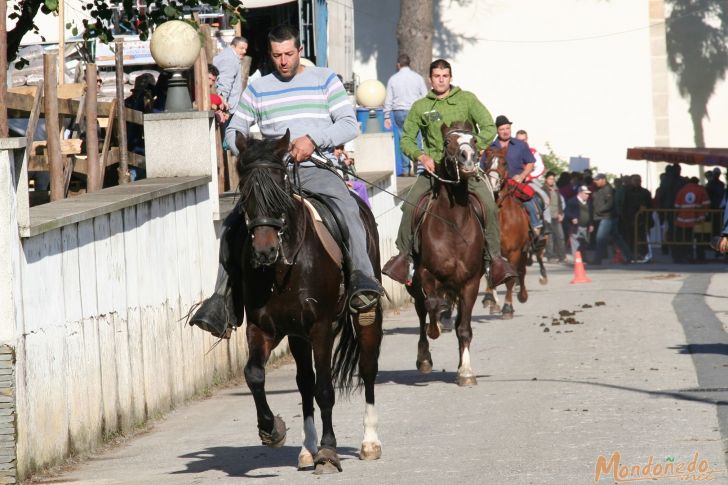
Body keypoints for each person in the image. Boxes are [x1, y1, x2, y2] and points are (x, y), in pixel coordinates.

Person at [191, 25, 383, 337]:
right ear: (270, 54)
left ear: (300, 50)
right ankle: (222, 303)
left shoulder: (324, 80)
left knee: (348, 209)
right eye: (277, 55)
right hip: (272, 175)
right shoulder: (257, 88)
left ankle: (362, 279)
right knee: (233, 225)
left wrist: (313, 140)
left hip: (317, 168)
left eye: (289, 54)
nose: (283, 61)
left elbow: (349, 125)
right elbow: (234, 128)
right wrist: (244, 146)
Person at [381, 59, 516, 287]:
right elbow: (406, 139)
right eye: (437, 76)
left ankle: (494, 260)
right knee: (410, 206)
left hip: (467, 171)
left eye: (445, 76)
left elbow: (489, 126)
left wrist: (478, 146)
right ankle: (405, 258)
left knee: (490, 206)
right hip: (435, 172)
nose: (441, 80)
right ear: (430, 79)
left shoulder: (467, 99)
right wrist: (421, 156)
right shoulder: (421, 106)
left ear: (451, 77)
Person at [489, 115, 546, 246]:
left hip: (516, 182)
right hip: (495, 184)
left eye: (507, 128)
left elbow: (531, 163)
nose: (505, 131)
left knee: (531, 199)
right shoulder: (491, 147)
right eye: (502, 129)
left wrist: (522, 176)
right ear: (497, 130)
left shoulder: (520, 145)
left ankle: (536, 229)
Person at [383, 54, 428, 177]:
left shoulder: (393, 79)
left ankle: (405, 168)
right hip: (414, 110)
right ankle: (417, 167)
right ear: (410, 64)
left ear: (398, 65)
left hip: (398, 111)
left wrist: (386, 116)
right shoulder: (418, 78)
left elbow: (388, 99)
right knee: (417, 138)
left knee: (403, 139)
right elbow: (425, 96)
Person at [591, 173, 633, 264]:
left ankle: (597, 260)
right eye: (595, 180)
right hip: (605, 217)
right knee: (616, 237)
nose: (595, 182)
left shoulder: (608, 189)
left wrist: (598, 211)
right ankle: (629, 256)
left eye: (597, 180)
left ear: (603, 179)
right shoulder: (599, 189)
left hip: (607, 217)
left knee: (600, 238)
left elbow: (609, 204)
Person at [673, 176, 710, 262]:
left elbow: (676, 206)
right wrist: (703, 215)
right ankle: (700, 258)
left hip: (683, 221)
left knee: (686, 240)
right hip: (698, 220)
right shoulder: (701, 190)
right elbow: (706, 203)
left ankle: (687, 257)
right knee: (700, 240)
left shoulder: (682, 190)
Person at [212, 36, 247, 117]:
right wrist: (222, 101)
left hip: (226, 106)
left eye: (245, 49)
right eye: (241, 48)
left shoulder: (227, 55)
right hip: (226, 108)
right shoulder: (230, 59)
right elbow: (225, 82)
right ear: (233, 46)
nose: (244, 51)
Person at [564, 185, 594, 261]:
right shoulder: (572, 201)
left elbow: (590, 214)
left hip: (585, 226)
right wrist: (572, 218)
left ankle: (584, 258)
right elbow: (566, 212)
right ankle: (577, 259)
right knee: (575, 243)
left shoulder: (589, 203)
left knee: (584, 243)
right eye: (585, 193)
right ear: (580, 193)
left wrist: (591, 224)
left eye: (588, 194)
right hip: (575, 226)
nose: (587, 195)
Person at [543, 171, 566, 262]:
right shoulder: (543, 189)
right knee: (550, 237)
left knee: (560, 236)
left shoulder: (556, 189)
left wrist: (561, 213)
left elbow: (560, 202)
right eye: (550, 179)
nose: (552, 180)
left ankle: (562, 256)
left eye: (553, 179)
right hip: (547, 216)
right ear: (546, 179)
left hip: (556, 215)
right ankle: (550, 256)